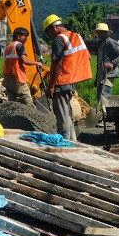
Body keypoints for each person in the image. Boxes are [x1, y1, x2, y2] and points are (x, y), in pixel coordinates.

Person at [43, 14, 91, 142]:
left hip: (62, 81)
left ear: (53, 27)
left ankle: (64, 143)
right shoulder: (76, 36)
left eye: (48, 32)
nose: (49, 35)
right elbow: (88, 56)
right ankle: (72, 141)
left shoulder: (59, 39)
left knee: (61, 115)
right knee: (67, 114)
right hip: (72, 81)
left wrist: (51, 86)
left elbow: (58, 64)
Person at [2, 27, 45, 106]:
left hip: (7, 78)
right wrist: (37, 63)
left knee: (12, 103)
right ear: (18, 36)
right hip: (17, 78)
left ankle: (11, 117)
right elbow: (24, 60)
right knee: (27, 99)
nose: (26, 39)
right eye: (25, 36)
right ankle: (33, 117)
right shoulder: (19, 45)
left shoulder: (8, 47)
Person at [93, 23, 119, 105]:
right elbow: (100, 62)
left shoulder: (111, 42)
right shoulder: (100, 43)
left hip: (108, 74)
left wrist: (112, 63)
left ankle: (107, 115)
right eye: (98, 32)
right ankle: (104, 114)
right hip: (102, 74)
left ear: (105, 33)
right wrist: (97, 78)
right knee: (100, 97)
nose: (99, 34)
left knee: (105, 97)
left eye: (101, 32)